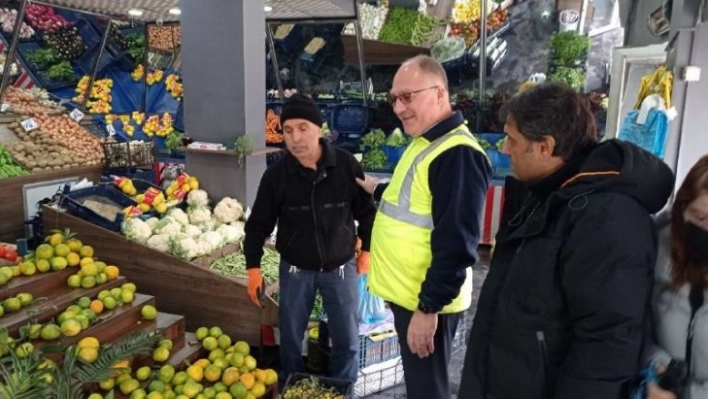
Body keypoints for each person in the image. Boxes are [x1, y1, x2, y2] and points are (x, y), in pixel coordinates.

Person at [459, 82, 675, 399]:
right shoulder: (550, 194)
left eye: (512, 140)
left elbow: (607, 341)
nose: (504, 149)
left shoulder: (605, 218)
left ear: (545, 146)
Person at [356, 54, 491, 399]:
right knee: (420, 386)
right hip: (412, 296)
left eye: (408, 97)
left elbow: (457, 243)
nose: (399, 108)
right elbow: (413, 203)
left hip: (428, 302)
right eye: (394, 99)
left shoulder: (457, 154)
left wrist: (428, 309)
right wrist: (375, 188)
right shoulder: (425, 142)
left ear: (440, 93)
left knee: (427, 390)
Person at [243, 93, 376, 386]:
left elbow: (367, 213)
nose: (295, 138)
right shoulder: (276, 176)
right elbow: (257, 227)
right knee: (290, 340)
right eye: (288, 130)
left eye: (303, 128)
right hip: (295, 271)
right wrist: (253, 267)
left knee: (348, 341)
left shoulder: (345, 165)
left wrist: (366, 250)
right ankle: (294, 387)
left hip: (341, 269)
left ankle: (342, 389)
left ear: (320, 128)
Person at [645, 155, 708, 399]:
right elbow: (635, 326)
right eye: (701, 217)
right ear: (683, 208)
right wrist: (656, 368)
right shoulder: (655, 247)